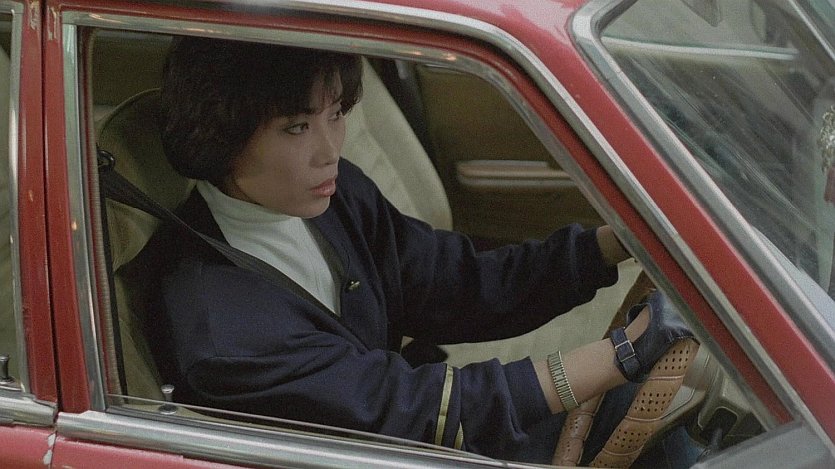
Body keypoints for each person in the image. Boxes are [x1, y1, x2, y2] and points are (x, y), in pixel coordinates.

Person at [151, 36, 693, 464]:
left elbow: (456, 283)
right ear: (221, 137)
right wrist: (622, 355)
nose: (330, 149)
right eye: (297, 127)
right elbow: (413, 411)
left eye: (336, 114)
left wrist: (610, 244)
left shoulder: (328, 197)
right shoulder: (224, 331)